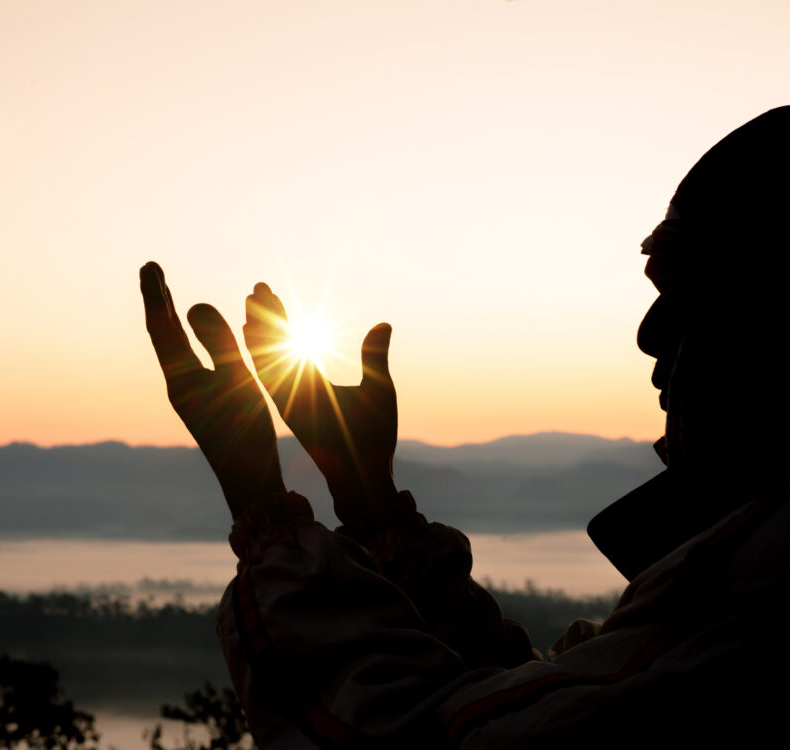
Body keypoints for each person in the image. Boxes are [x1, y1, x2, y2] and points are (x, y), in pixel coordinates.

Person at [139, 107, 789, 747]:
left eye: (685, 289)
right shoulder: (729, 589)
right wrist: (367, 498)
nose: (649, 334)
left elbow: (428, 737)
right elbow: (519, 695)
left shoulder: (759, 588)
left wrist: (266, 512)